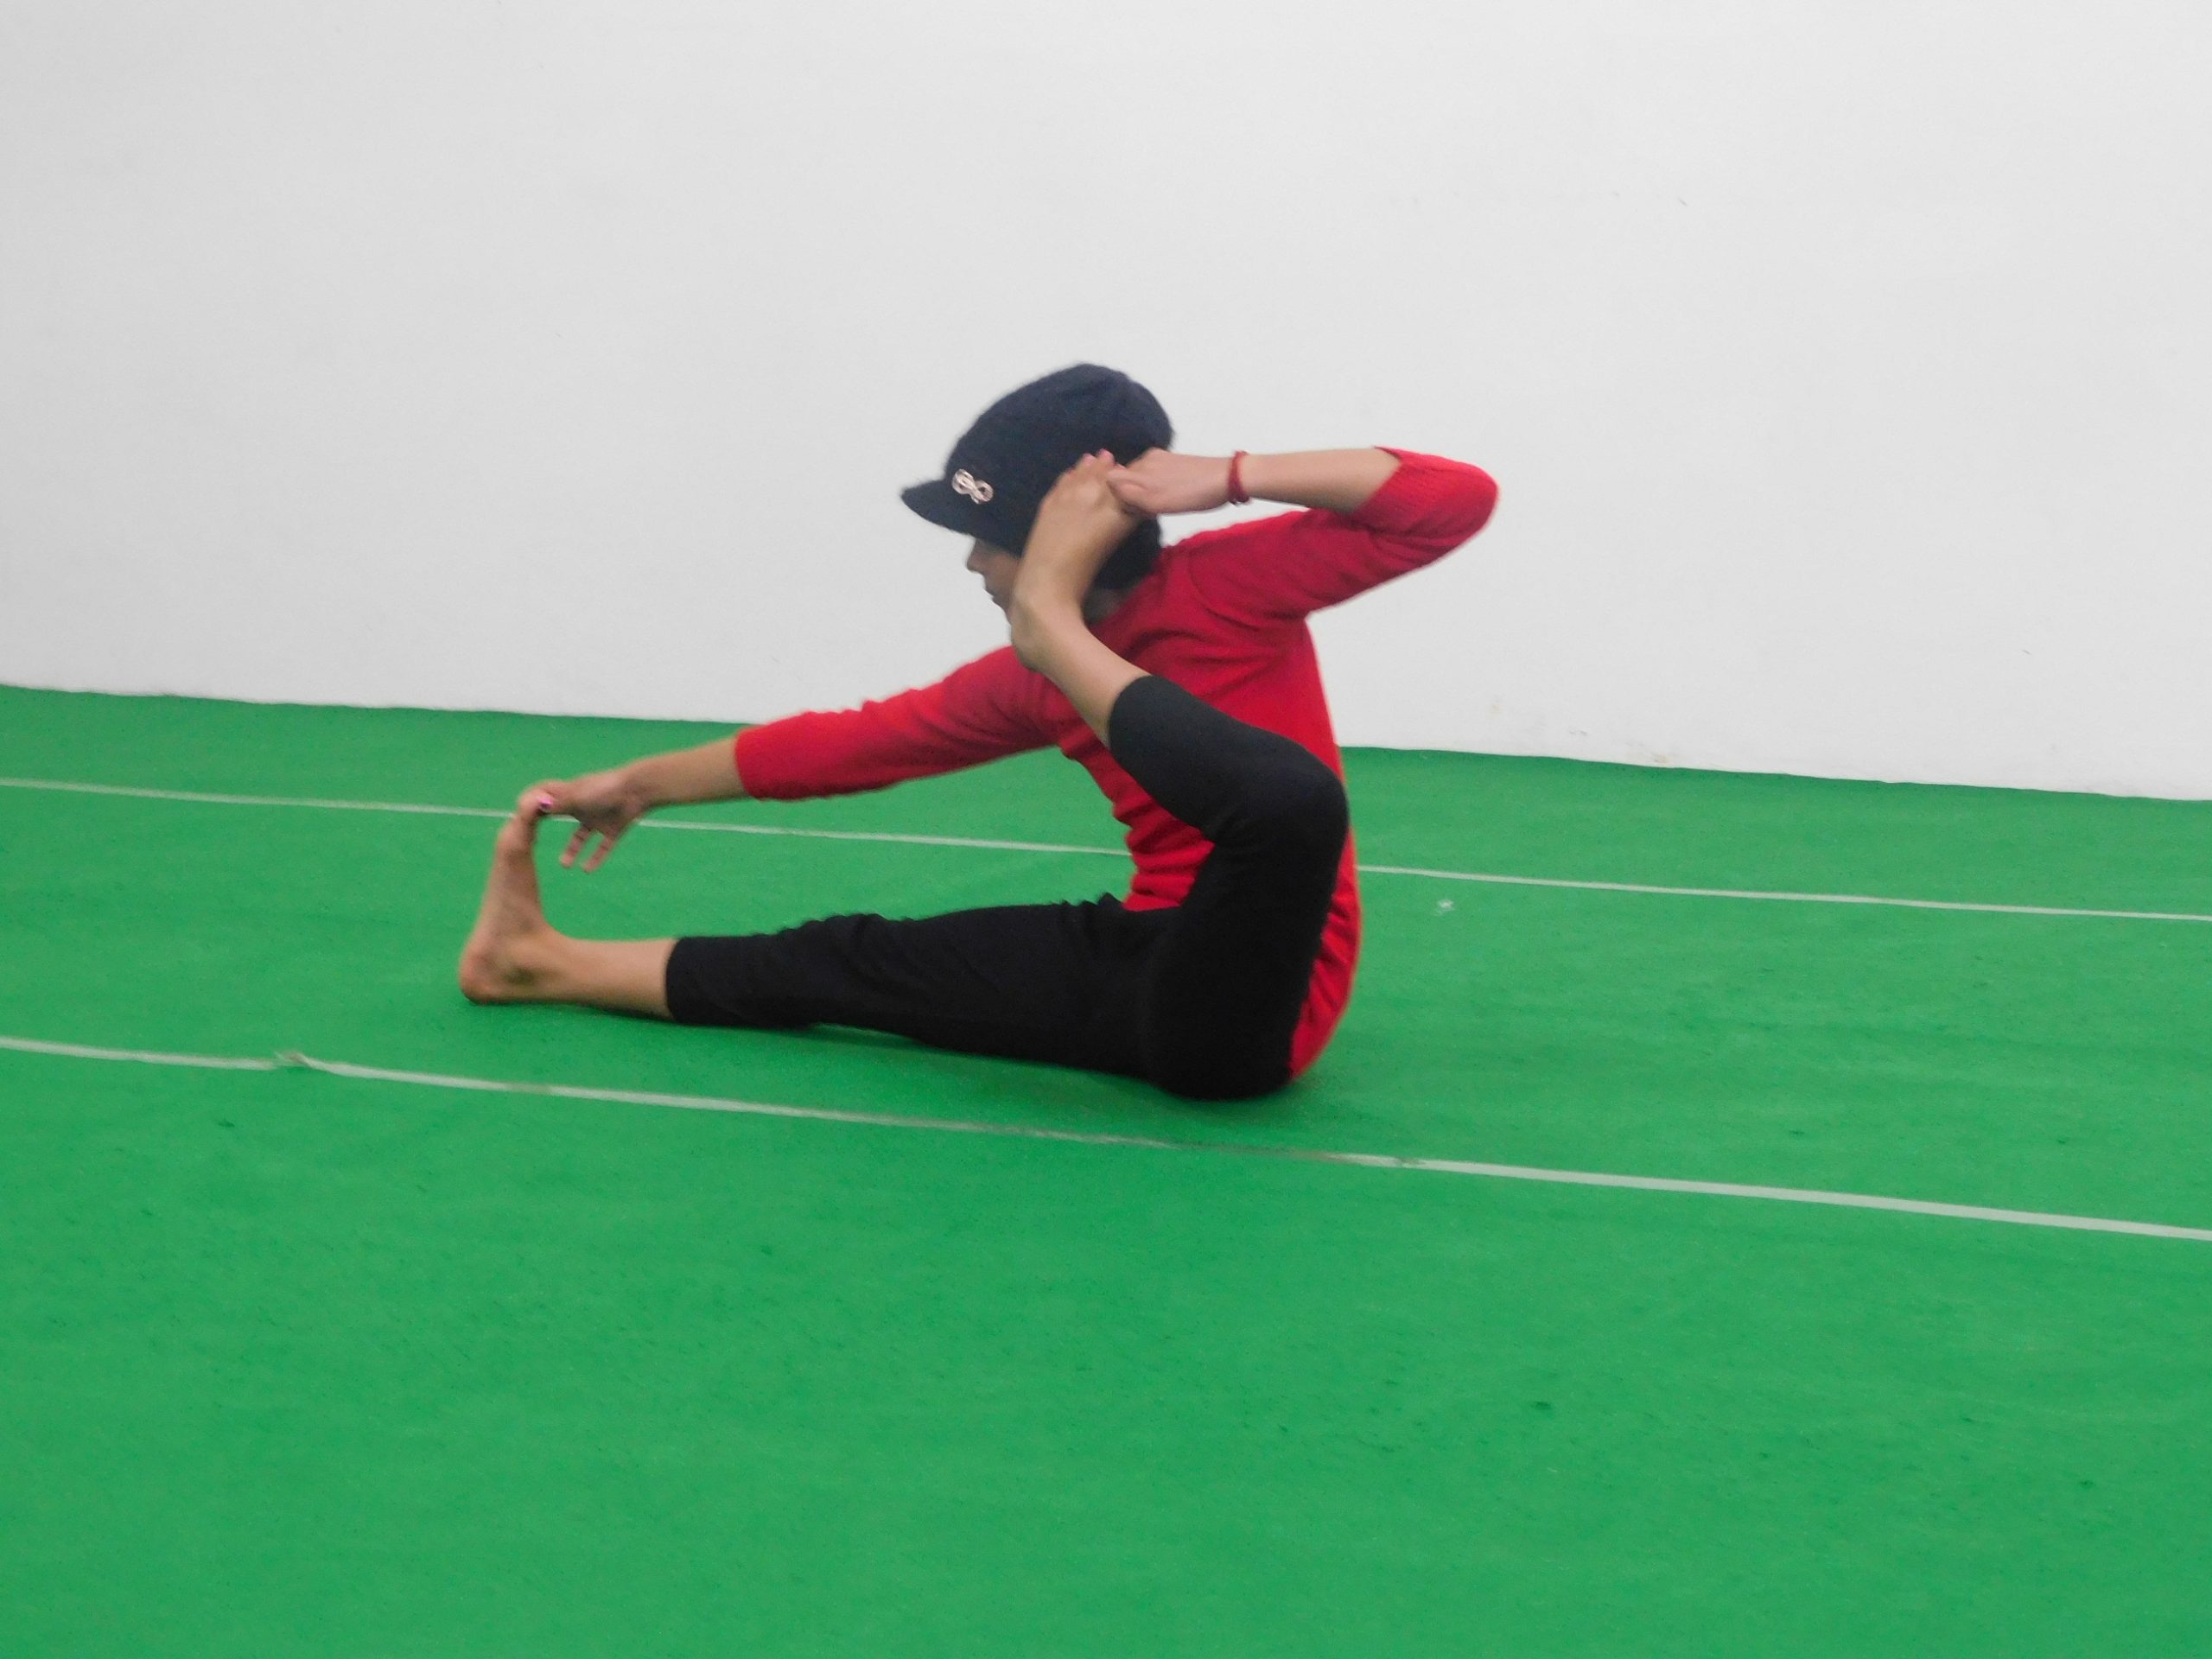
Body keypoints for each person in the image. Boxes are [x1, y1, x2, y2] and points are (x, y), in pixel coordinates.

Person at [459, 365, 1497, 1100]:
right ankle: (536, 964)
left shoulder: (1234, 586)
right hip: (1151, 973)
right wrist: (636, 785)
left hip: (1268, 1000)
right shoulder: (1029, 682)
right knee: (845, 958)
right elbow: (850, 745)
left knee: (1287, 806)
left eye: (988, 541)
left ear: (1064, 535)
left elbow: (1453, 500)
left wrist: (1229, 473)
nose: (971, 565)